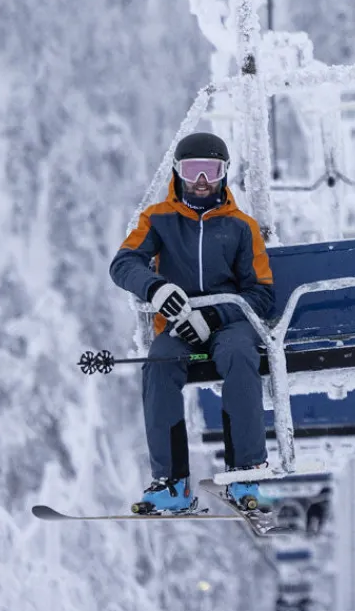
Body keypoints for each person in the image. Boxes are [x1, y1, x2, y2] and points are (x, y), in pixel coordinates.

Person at [110, 131, 276, 517]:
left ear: (224, 173)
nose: (201, 180)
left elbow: (261, 293)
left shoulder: (241, 227)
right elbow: (124, 263)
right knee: (159, 363)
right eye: (192, 170)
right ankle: (173, 483)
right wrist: (155, 289)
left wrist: (216, 315)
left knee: (239, 355)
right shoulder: (158, 220)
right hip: (179, 324)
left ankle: (244, 473)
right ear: (177, 172)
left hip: (229, 323)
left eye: (210, 171)